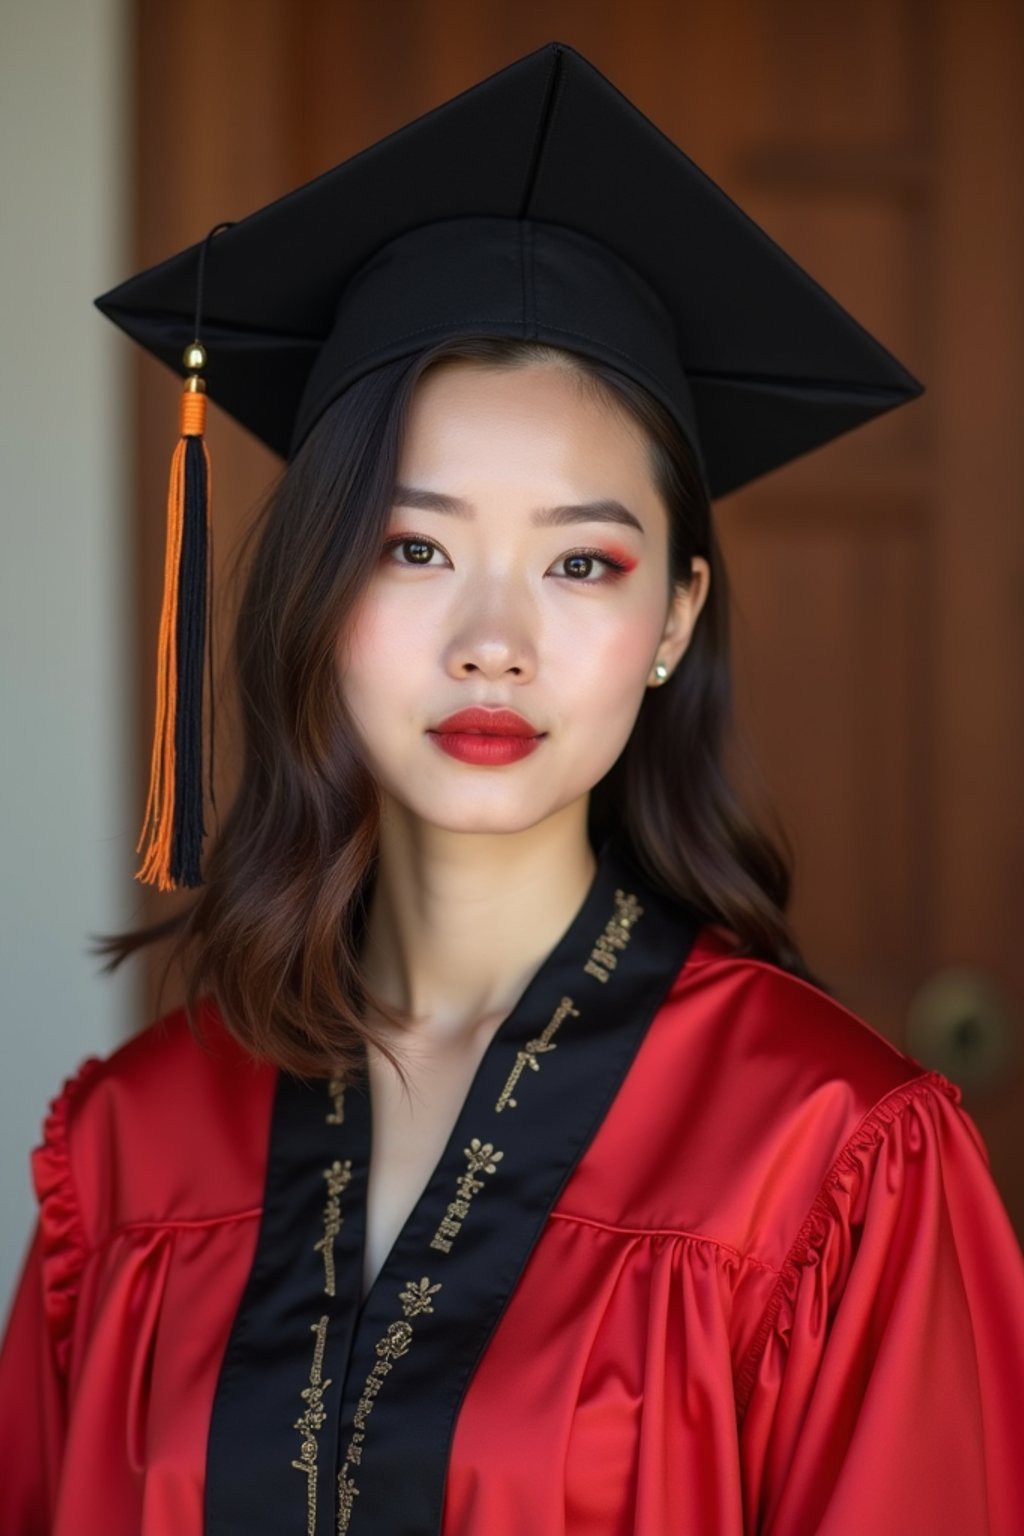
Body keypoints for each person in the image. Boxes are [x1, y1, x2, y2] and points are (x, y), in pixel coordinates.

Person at [1, 39, 1023, 1536]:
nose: (494, 644)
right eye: (415, 548)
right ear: (316, 588)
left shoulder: (832, 1156)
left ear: (673, 618)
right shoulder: (133, 1145)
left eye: (583, 563)